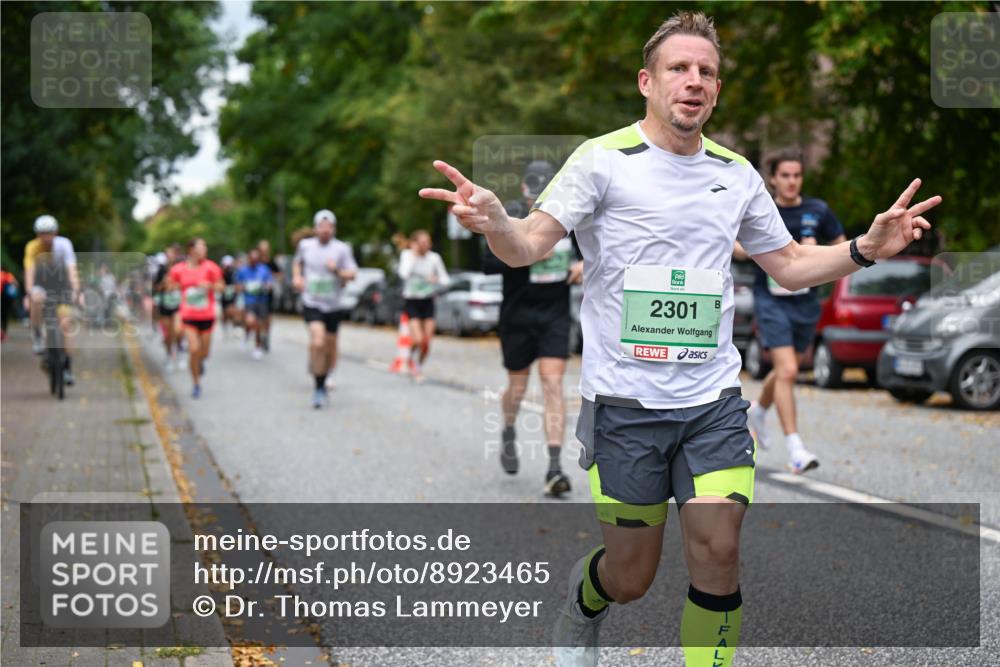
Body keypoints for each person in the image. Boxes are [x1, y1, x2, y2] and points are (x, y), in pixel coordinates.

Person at [418, 11, 940, 667]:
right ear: (647, 81)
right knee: (630, 575)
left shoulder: (737, 173)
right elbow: (527, 246)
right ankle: (585, 602)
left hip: (711, 400)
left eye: (707, 72)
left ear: (716, 90)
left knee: (719, 548)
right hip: (626, 407)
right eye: (679, 69)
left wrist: (864, 247)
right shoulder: (602, 160)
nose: (693, 82)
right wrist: (497, 220)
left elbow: (789, 264)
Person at [735, 151, 845, 474]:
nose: (792, 181)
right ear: (773, 179)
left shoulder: (817, 211)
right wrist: (767, 251)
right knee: (788, 371)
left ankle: (758, 410)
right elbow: (735, 245)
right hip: (771, 300)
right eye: (785, 175)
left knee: (788, 369)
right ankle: (795, 448)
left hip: (805, 303)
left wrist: (816, 251)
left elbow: (843, 246)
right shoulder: (761, 208)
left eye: (797, 175)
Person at [483, 160, 583, 498]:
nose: (535, 199)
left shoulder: (571, 215)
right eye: (532, 191)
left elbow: (597, 248)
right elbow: (486, 262)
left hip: (555, 314)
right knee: (518, 387)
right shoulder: (510, 213)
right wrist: (526, 252)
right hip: (518, 315)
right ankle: (509, 428)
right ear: (525, 190)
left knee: (553, 383)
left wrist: (584, 264)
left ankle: (555, 468)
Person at [292, 209, 358, 408]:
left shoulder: (341, 249)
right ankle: (319, 387)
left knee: (330, 345)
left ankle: (325, 371)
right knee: (319, 340)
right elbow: (297, 263)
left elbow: (352, 274)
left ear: (334, 229)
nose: (326, 231)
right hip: (312, 302)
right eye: (322, 227)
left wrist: (336, 270)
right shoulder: (305, 246)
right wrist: (297, 277)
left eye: (329, 227)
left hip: (333, 305)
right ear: (315, 228)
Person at [23, 214, 79, 384]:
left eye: (49, 233)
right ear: (37, 235)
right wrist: (29, 292)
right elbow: (30, 271)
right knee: (36, 299)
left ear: (55, 232)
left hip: (60, 284)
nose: (46, 237)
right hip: (41, 283)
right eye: (42, 233)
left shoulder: (64, 245)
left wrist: (76, 289)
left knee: (65, 323)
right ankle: (38, 335)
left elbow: (71, 269)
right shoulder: (32, 247)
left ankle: (67, 367)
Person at [167, 238, 223, 398]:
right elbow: (169, 285)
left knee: (204, 353)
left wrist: (210, 286)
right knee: (193, 349)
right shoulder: (179, 269)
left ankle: (200, 362)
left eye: (205, 245)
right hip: (188, 315)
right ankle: (196, 384)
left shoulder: (211, 267)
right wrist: (175, 286)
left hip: (207, 315)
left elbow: (221, 286)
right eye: (202, 246)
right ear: (191, 249)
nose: (205, 248)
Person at [398, 229, 450, 383]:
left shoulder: (434, 258)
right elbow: (403, 274)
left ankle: (418, 366)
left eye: (428, 242)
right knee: (418, 339)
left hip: (428, 301)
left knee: (426, 341)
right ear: (415, 244)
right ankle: (409, 359)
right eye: (422, 242)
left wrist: (437, 279)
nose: (425, 245)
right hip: (412, 301)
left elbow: (446, 279)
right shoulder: (407, 256)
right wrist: (414, 257)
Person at [236, 248, 273, 360]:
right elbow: (237, 287)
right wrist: (244, 287)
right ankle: (248, 335)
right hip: (249, 301)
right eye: (252, 258)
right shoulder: (242, 271)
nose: (254, 260)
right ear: (249, 259)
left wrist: (265, 286)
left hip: (262, 300)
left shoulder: (264, 269)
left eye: (256, 258)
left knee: (260, 325)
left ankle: (257, 346)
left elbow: (270, 284)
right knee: (251, 321)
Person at [154, 244, 184, 370]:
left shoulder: (182, 268)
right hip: (165, 304)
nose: (168, 256)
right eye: (167, 254)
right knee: (168, 335)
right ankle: (169, 357)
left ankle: (180, 352)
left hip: (178, 304)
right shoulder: (161, 270)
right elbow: (156, 287)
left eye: (170, 253)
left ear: (176, 254)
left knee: (177, 331)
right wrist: (164, 284)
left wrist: (176, 285)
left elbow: (186, 284)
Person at [258, 239, 282, 353]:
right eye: (262, 248)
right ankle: (259, 336)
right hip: (256, 294)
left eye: (266, 248)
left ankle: (266, 335)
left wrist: (271, 277)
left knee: (268, 317)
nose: (264, 251)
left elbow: (280, 275)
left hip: (269, 293)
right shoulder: (255, 261)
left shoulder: (271, 262)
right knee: (258, 318)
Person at [220, 255, 240, 337]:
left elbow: (237, 282)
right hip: (224, 294)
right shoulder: (221, 272)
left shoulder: (235, 272)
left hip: (232, 293)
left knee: (232, 309)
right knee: (225, 311)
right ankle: (225, 327)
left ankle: (234, 326)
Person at [1, 267, 19, 343]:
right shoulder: (8, 275)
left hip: (4, 299)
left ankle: (2, 333)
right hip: (6, 299)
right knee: (4, 316)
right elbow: (16, 284)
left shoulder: (5, 275)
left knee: (3, 316)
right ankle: (3, 333)